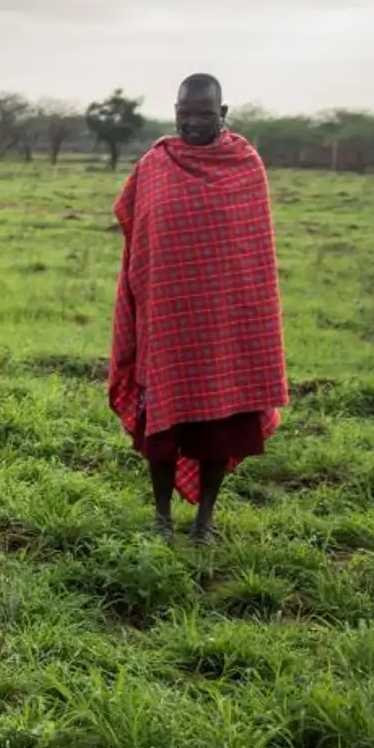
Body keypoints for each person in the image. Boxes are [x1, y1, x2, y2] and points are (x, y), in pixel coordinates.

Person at [110, 73, 288, 544]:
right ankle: (162, 518)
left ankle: (205, 520)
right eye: (183, 113)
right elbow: (136, 230)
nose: (191, 122)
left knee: (220, 431)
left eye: (203, 114)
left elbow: (253, 255)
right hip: (167, 321)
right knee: (163, 429)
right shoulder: (156, 164)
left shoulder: (245, 165)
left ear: (222, 114)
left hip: (226, 327)